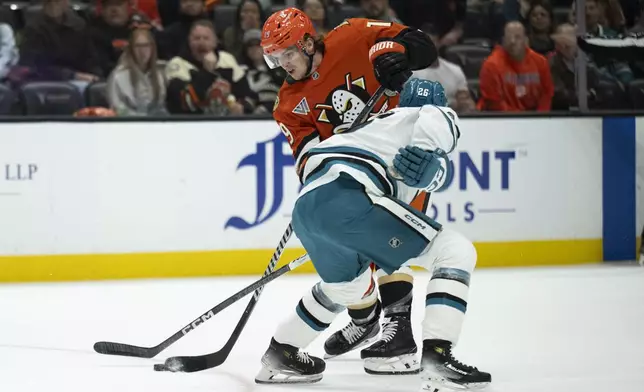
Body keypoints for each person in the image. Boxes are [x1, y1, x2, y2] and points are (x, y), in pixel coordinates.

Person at [256, 76, 492, 391]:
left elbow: (316, 163)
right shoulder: (432, 113)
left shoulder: (370, 127)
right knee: (455, 251)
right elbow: (430, 150)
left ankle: (281, 352)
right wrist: (435, 169)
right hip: (352, 198)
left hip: (308, 207)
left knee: (347, 290)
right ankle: (437, 355)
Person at [258, 7, 438, 377]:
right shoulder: (289, 105)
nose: (282, 65)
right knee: (348, 256)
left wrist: (396, 57)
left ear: (308, 42)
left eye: (287, 53)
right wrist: (336, 152)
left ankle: (399, 335)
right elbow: (308, 162)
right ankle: (365, 317)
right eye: (274, 58)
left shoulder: (353, 35)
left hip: (401, 156)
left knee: (393, 243)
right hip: (355, 175)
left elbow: (420, 46)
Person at [107, 28, 167, 116]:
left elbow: (162, 106)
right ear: (131, 49)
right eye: (138, 46)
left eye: (146, 45)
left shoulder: (161, 72)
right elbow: (117, 108)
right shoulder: (118, 75)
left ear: (152, 48)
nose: (142, 51)